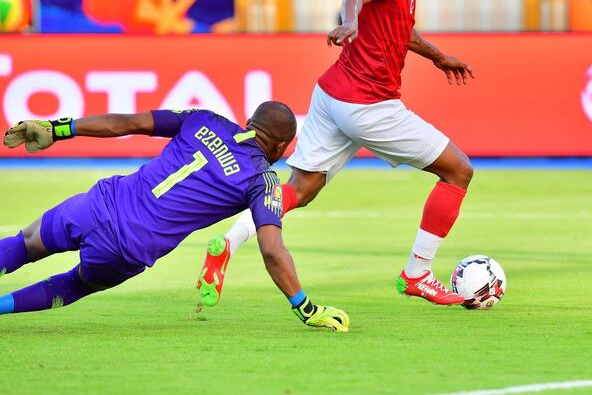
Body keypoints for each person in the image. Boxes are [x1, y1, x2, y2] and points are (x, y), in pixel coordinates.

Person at [197, 0, 475, 306]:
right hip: (368, 106)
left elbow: (400, 29)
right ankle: (417, 273)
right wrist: (348, 20)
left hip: (331, 97)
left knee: (300, 188)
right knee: (458, 171)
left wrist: (438, 57)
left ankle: (227, 243)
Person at [0, 105, 349, 332]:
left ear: (249, 123)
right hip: (128, 248)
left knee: (27, 243)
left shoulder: (204, 118)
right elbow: (272, 248)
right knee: (78, 283)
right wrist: (305, 307)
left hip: (99, 204)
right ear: (281, 147)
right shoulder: (262, 179)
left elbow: (128, 122)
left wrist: (60, 128)